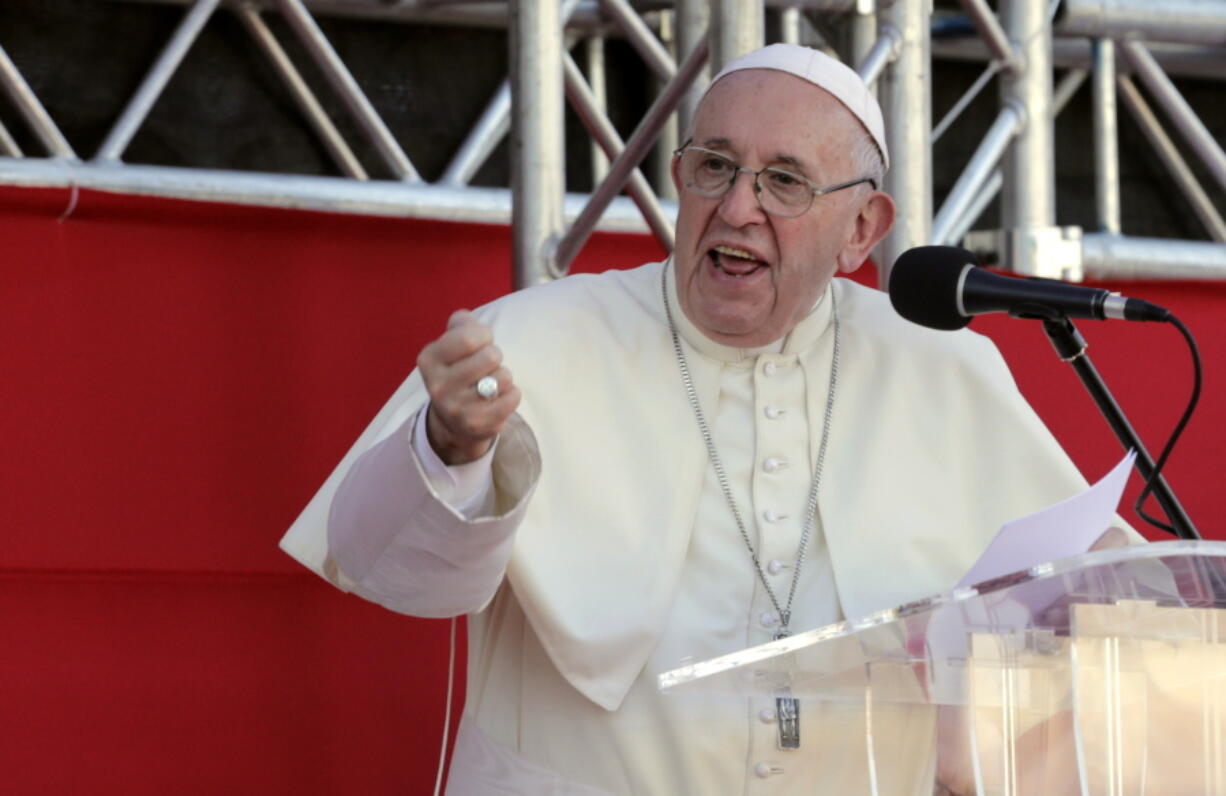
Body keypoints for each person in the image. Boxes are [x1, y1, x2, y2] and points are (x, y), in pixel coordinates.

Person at [281, 44, 1092, 793]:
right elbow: (390, 573)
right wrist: (447, 448)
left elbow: (1083, 603)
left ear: (861, 229)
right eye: (714, 167)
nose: (738, 206)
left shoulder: (943, 371)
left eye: (784, 181)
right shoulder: (530, 339)